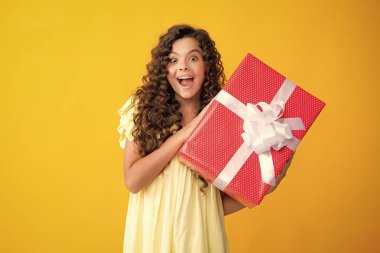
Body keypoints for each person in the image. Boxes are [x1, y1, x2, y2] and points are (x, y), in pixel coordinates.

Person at [117, 24, 292, 253]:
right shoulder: (144, 111)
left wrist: (265, 187)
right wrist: (183, 135)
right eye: (173, 60)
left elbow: (213, 205)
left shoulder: (225, 120)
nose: (182, 67)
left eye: (193, 58)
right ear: (164, 69)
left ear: (206, 65)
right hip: (152, 236)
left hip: (200, 239)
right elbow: (133, 181)